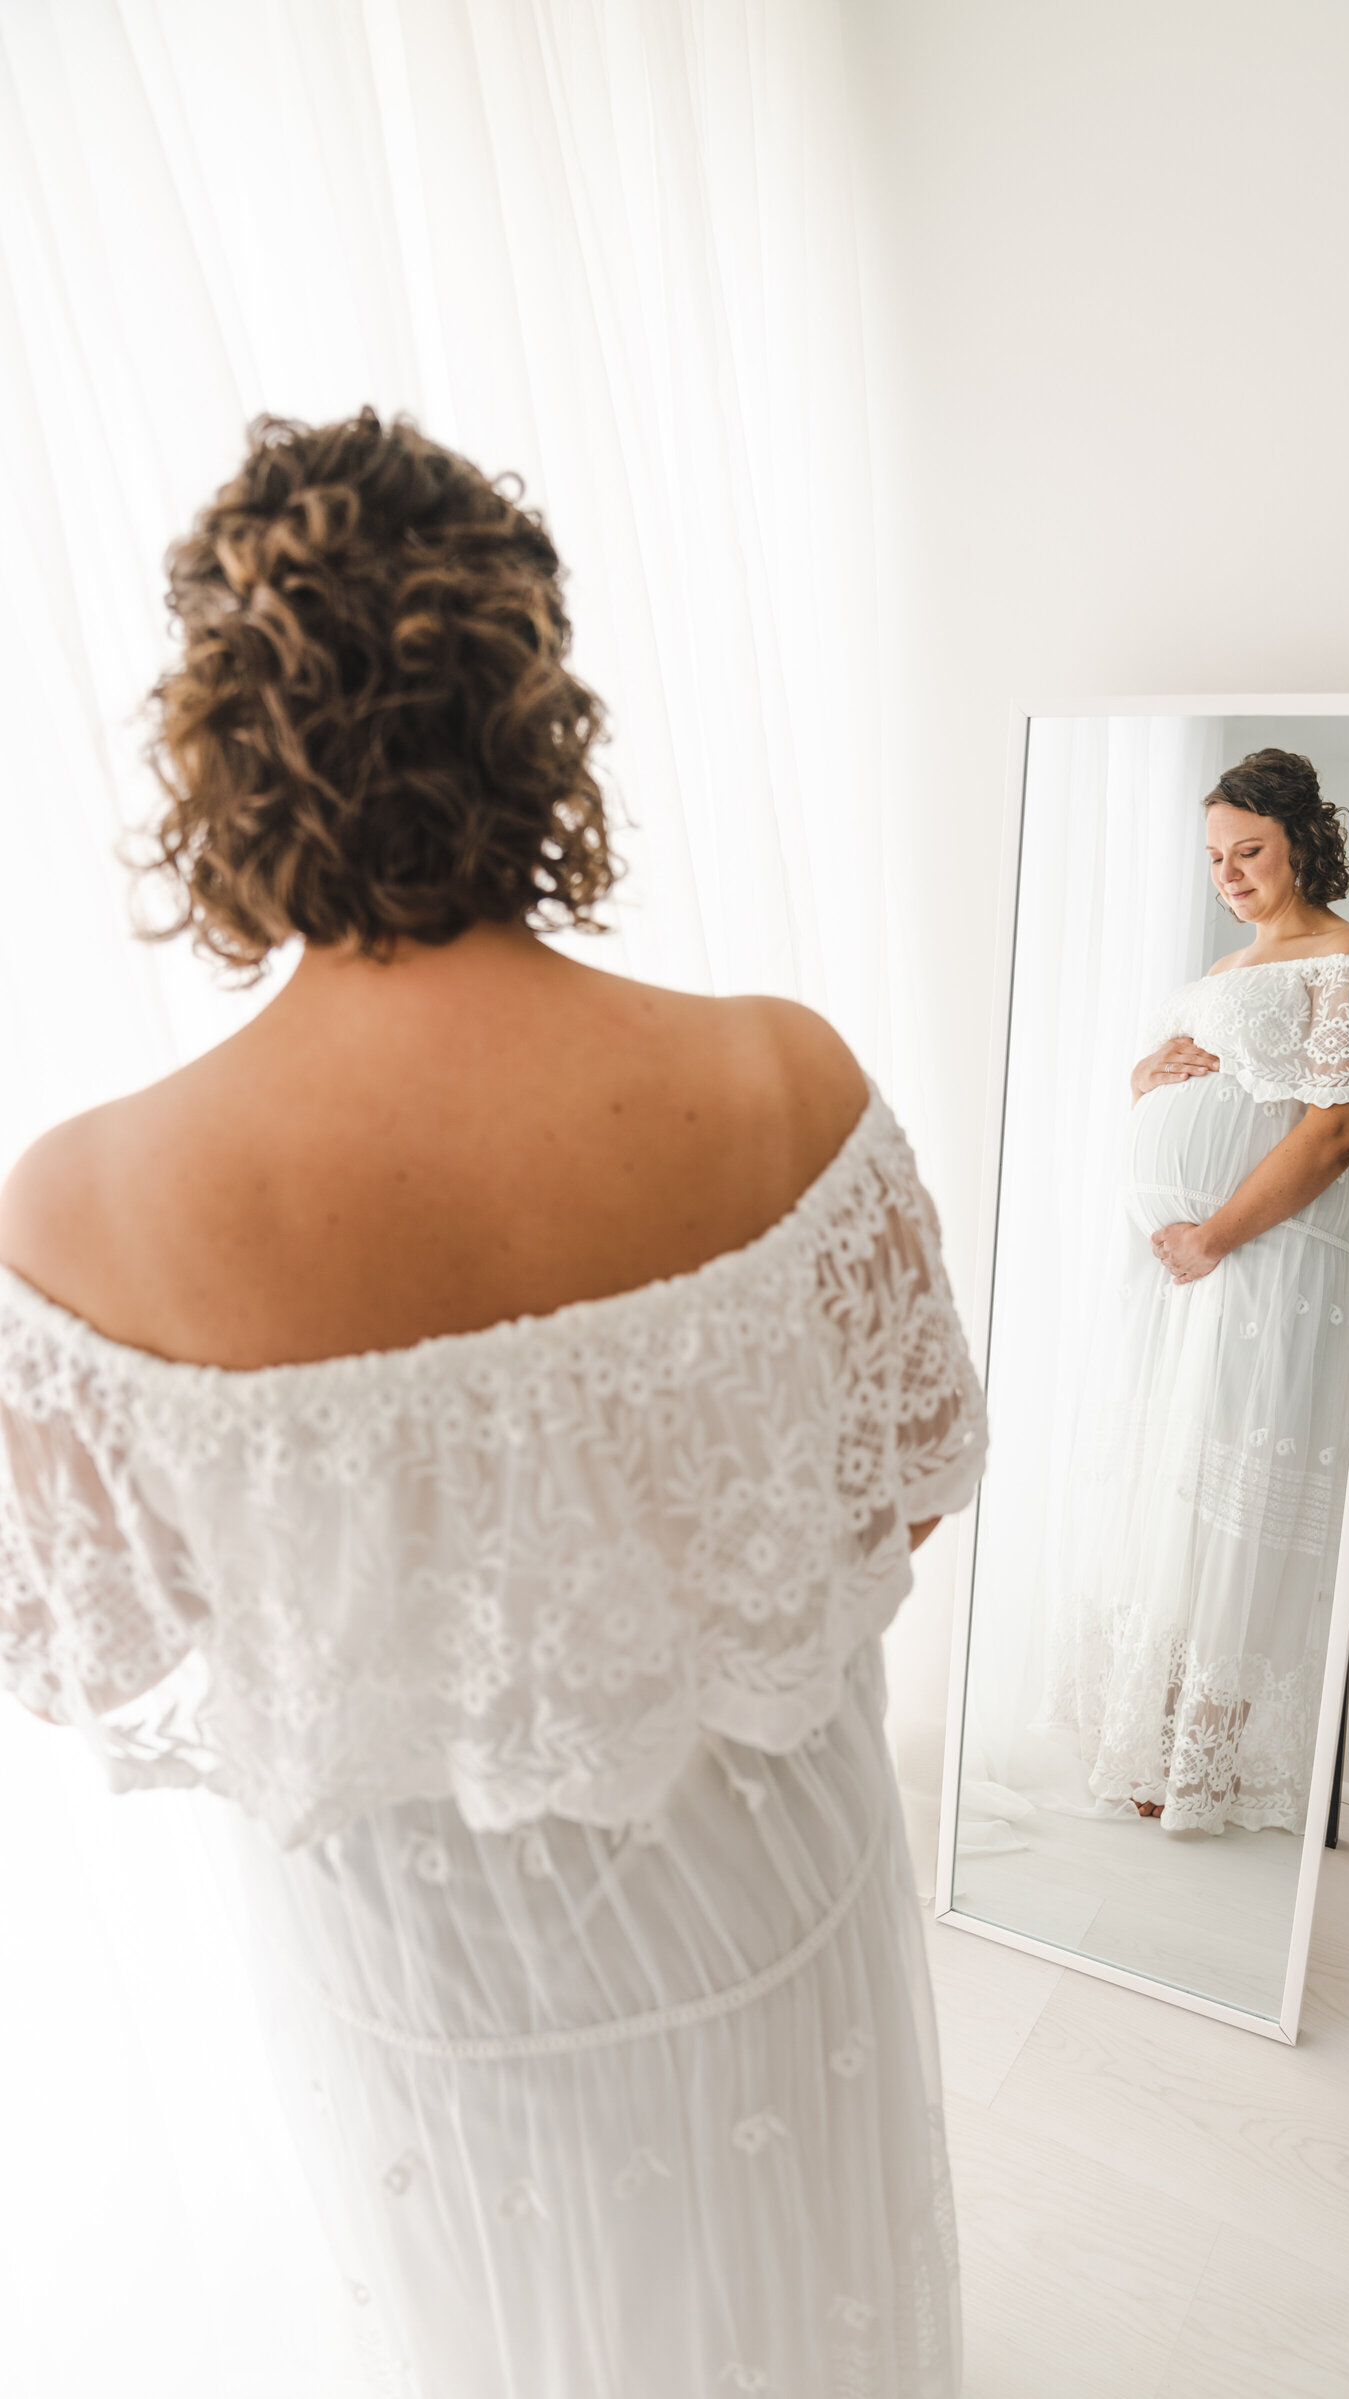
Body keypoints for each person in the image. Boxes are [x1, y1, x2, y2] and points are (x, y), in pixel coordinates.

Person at [0, 409, 988, 2396]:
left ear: (217, 757)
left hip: (421, 1972)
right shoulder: (780, 1084)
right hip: (765, 1893)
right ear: (534, 720)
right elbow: (893, 1499)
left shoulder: (82, 1211)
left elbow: (113, 1631)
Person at [1046, 748, 1349, 1836]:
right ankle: (1143, 1740)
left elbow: (1336, 1128)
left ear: (1302, 842)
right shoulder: (1222, 966)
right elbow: (1199, 1079)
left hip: (1269, 1264)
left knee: (1234, 1507)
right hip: (1185, 1275)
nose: (1229, 872)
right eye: (1214, 855)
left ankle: (1205, 1761)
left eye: (1248, 849)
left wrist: (1216, 1231)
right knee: (1170, 1494)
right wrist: (1139, 1080)